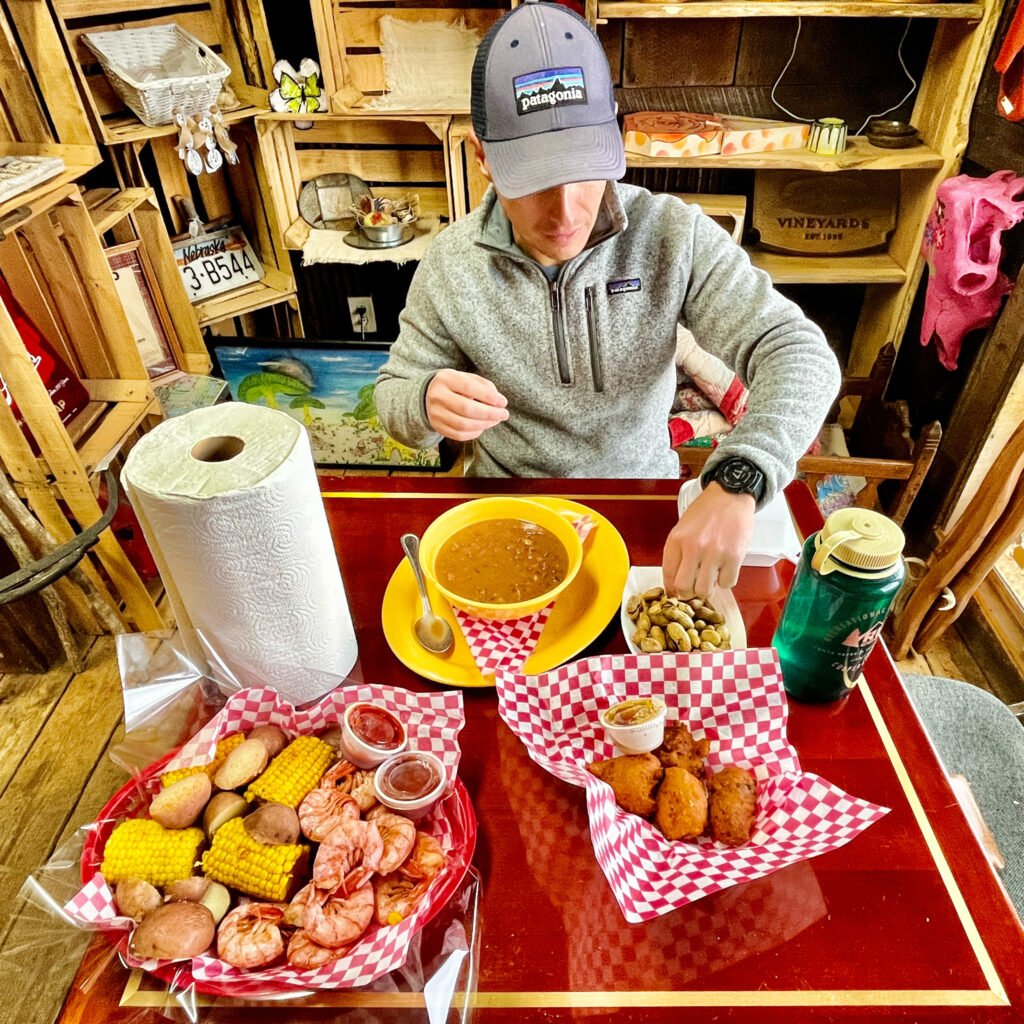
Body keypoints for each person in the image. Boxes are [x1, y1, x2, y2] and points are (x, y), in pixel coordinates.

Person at [375, 0, 841, 598]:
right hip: (507, 509)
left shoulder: (673, 233)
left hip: (639, 501)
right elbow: (392, 400)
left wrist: (741, 476)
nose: (566, 212)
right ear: (483, 157)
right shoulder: (450, 263)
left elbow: (798, 351)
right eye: (534, 180)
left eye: (584, 168)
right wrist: (424, 401)